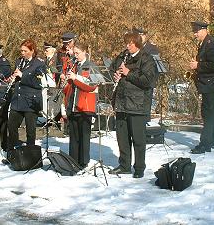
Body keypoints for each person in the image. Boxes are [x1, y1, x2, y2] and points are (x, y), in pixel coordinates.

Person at [109, 31, 157, 178]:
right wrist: (115, 74)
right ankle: (124, 165)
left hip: (138, 105)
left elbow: (148, 81)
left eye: (130, 43)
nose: (128, 46)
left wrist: (129, 73)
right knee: (122, 138)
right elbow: (111, 69)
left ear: (137, 44)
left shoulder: (146, 59)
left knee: (138, 139)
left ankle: (139, 168)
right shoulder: (123, 56)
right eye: (126, 43)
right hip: (121, 102)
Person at [189, 21, 214, 154]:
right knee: (210, 113)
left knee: (207, 113)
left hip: (211, 84)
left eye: (196, 31)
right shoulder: (206, 42)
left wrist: (197, 66)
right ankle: (211, 141)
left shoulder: (212, 44)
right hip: (209, 83)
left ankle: (205, 144)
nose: (195, 34)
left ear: (204, 30)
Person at [62, 41, 98, 168]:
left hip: (85, 106)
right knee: (74, 136)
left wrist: (75, 78)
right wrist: (65, 83)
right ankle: (73, 160)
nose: (75, 56)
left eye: (77, 53)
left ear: (84, 52)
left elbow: (91, 86)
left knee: (84, 136)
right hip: (73, 105)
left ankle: (83, 162)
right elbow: (70, 88)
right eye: (74, 53)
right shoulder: (75, 66)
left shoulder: (91, 66)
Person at [7, 39, 45, 151]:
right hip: (18, 99)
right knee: (12, 126)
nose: (22, 53)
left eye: (25, 51)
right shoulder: (19, 61)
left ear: (32, 50)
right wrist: (12, 79)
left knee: (30, 130)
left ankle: (30, 154)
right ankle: (13, 152)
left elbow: (39, 83)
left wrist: (22, 75)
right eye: (21, 51)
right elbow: (17, 77)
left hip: (31, 100)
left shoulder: (39, 63)